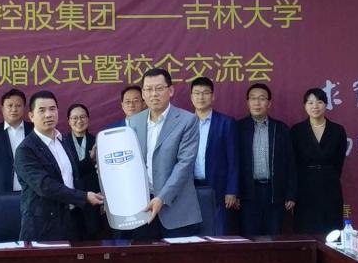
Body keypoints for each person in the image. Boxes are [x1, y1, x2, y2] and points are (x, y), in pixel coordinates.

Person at [123, 68, 202, 239]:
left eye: (159, 88)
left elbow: (184, 165)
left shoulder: (187, 120)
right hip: (142, 209)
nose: (154, 94)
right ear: (143, 93)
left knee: (178, 257)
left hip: (177, 209)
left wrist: (162, 197)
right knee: (144, 255)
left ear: (170, 90)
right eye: (148, 89)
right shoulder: (134, 121)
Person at [16, 91, 104, 244]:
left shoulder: (62, 140)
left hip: (72, 220)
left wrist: (91, 160)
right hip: (44, 227)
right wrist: (84, 197)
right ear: (31, 116)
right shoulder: (26, 149)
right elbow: (45, 186)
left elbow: (71, 173)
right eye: (42, 110)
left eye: (52, 109)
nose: (48, 114)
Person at [237, 83, 297, 237]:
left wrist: (291, 194)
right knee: (249, 239)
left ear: (269, 103)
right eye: (253, 98)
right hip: (247, 193)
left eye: (262, 99)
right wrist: (234, 192)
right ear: (247, 102)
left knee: (274, 238)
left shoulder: (281, 129)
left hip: (274, 193)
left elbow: (290, 163)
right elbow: (232, 163)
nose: (257, 103)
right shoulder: (238, 128)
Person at [292, 88, 348, 235]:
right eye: (310, 102)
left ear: (326, 104)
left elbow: (339, 162)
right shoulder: (297, 131)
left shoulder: (337, 130)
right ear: (304, 106)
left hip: (330, 185)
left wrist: (328, 175)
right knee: (306, 229)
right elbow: (293, 162)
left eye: (319, 102)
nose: (315, 106)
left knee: (332, 230)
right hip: (305, 187)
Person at [189, 77, 240, 235]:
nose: (201, 97)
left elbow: (234, 160)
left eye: (205, 93)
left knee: (219, 233)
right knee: (193, 234)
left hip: (218, 188)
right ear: (191, 97)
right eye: (197, 93)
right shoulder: (184, 123)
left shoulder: (226, 123)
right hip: (190, 188)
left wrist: (232, 191)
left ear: (213, 96)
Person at [62, 103, 105, 240]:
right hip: (72, 202)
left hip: (95, 201)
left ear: (88, 119)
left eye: (82, 117)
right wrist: (90, 159)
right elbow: (72, 171)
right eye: (74, 118)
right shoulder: (61, 143)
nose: (79, 121)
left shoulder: (98, 141)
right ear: (69, 121)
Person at [0, 89, 32, 194]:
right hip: (1, 194)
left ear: (24, 108)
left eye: (18, 106)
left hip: (32, 193)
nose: (14, 109)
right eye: (10, 106)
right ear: (3, 109)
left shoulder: (34, 131)